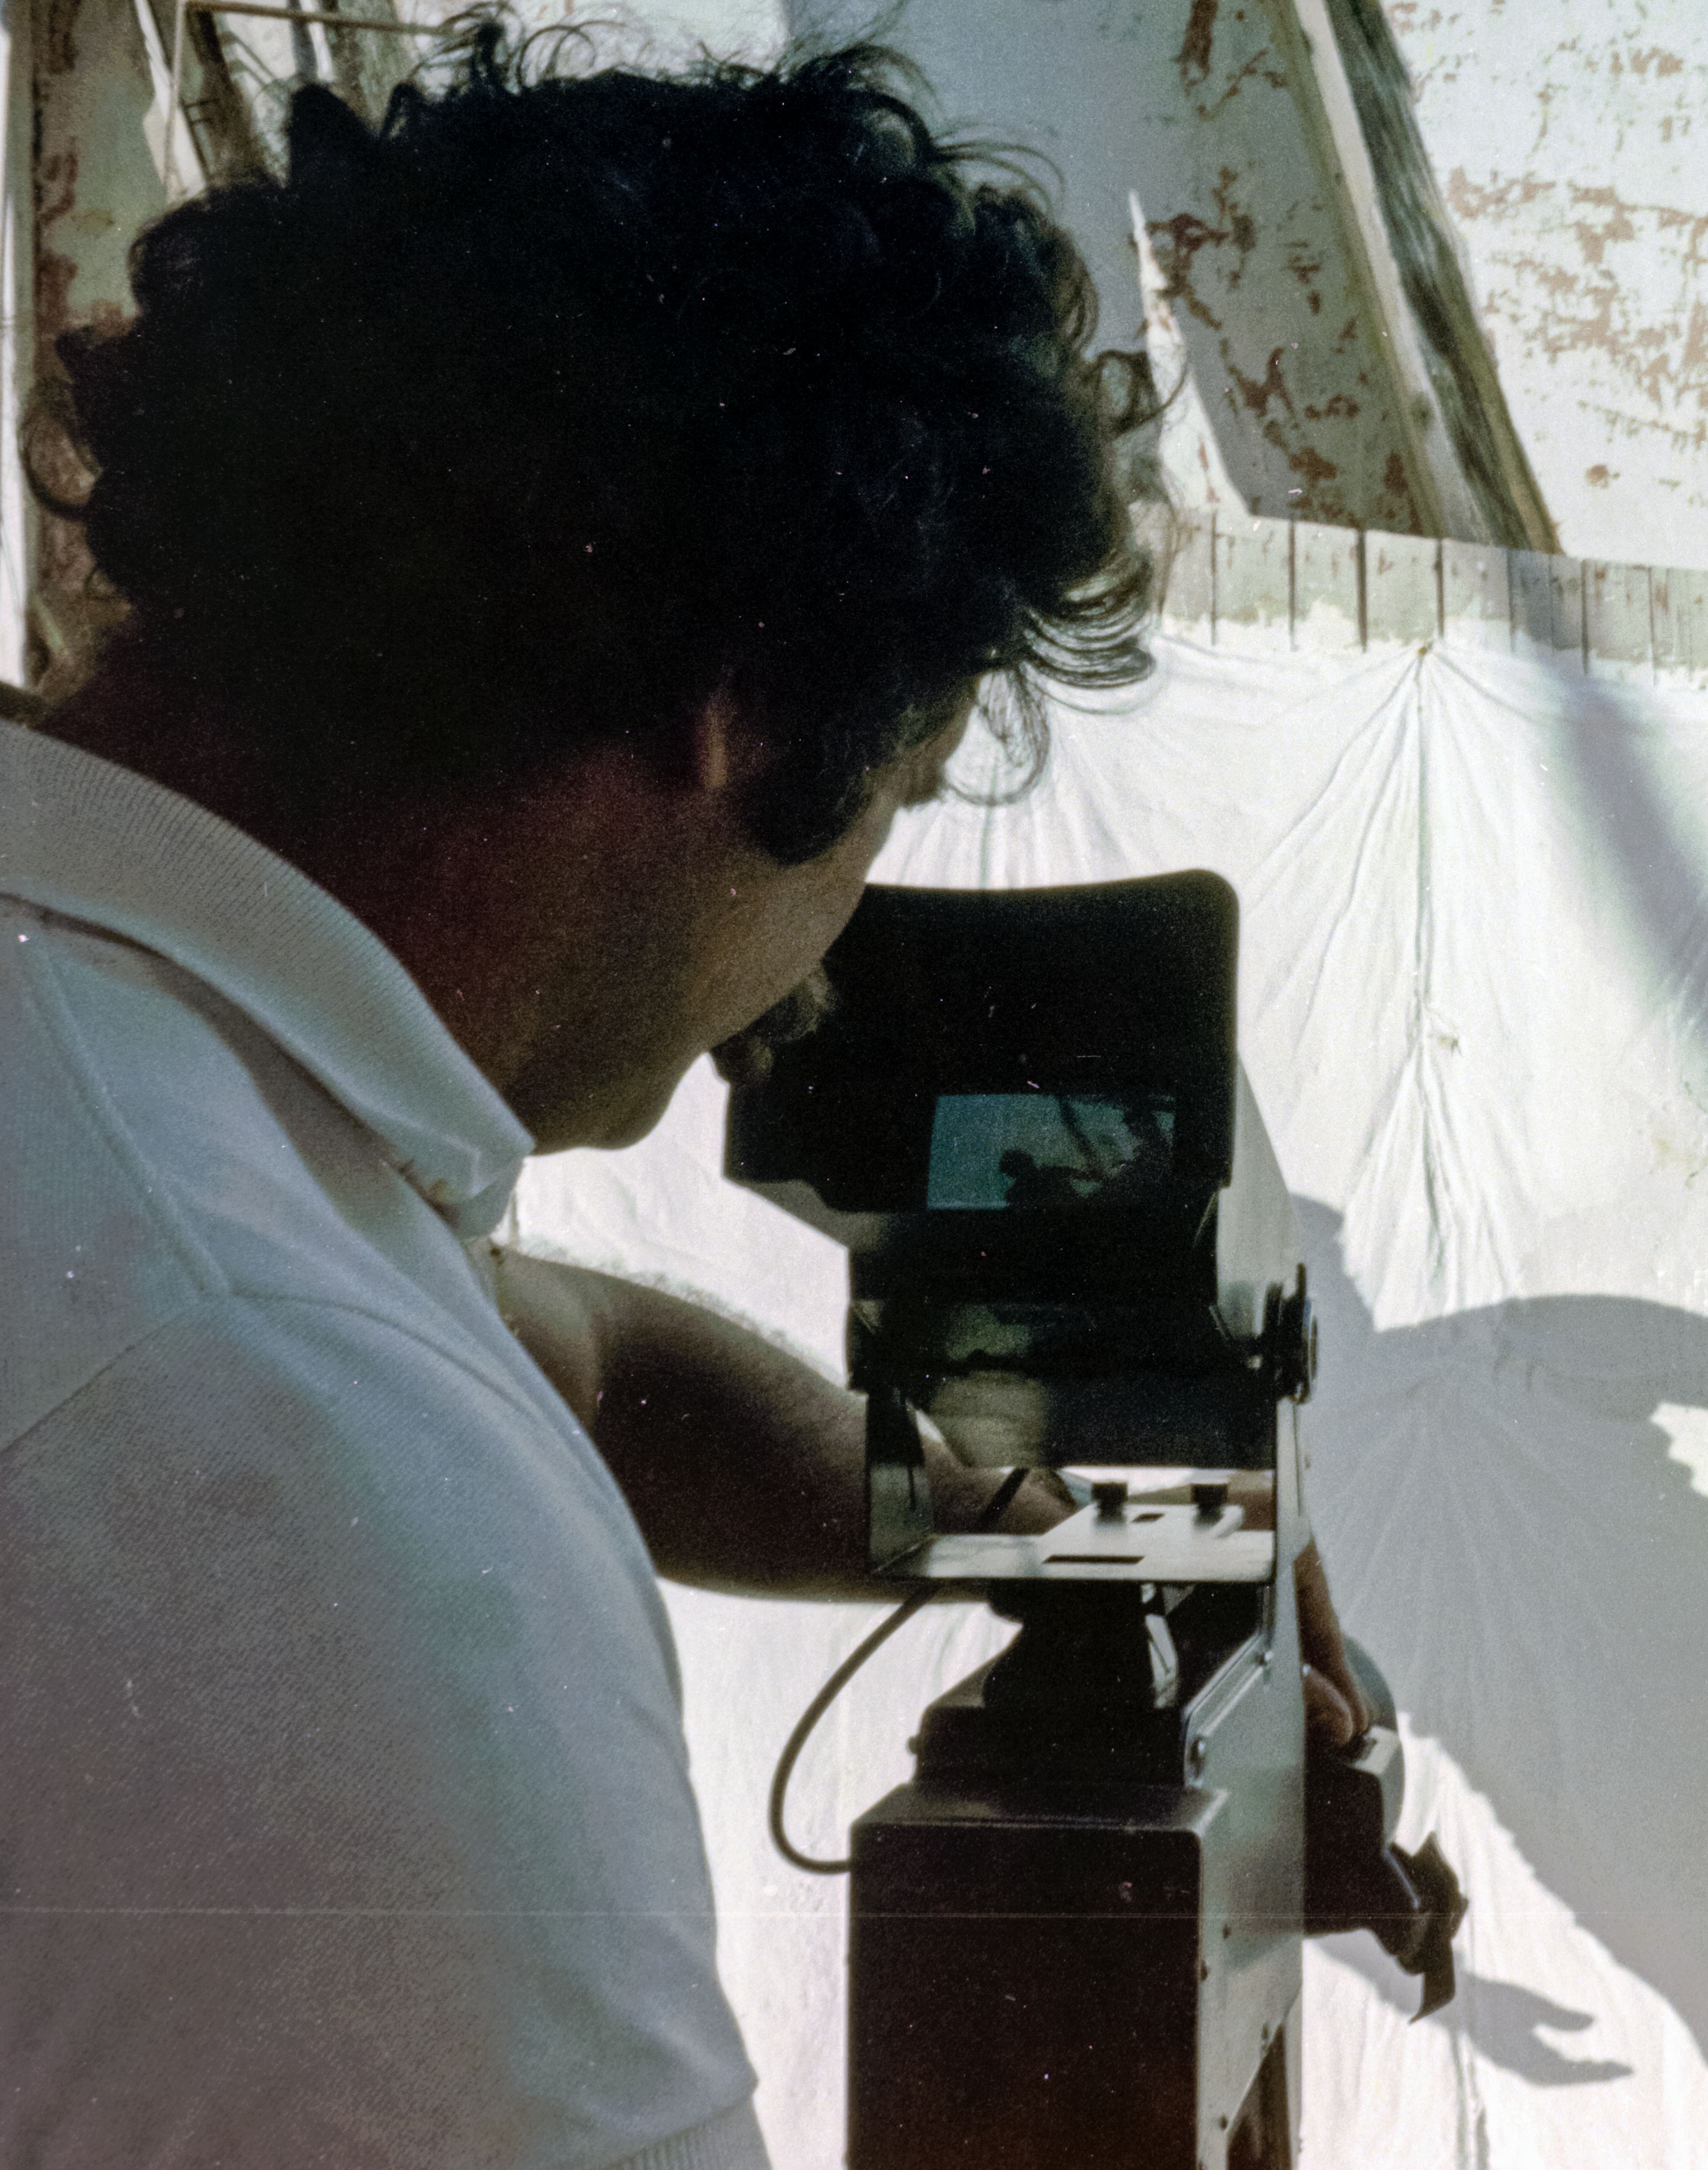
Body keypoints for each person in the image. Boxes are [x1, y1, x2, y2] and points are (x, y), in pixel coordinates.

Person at [0, 34, 1363, 2169]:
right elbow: (354, 1393)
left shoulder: (154, 1142)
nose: (825, 956)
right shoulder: (306, 1457)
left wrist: (1088, 1521)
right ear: (751, 706)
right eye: (893, 801)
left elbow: (569, 1354)